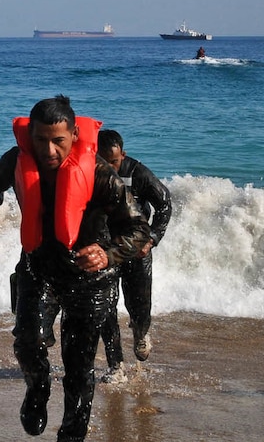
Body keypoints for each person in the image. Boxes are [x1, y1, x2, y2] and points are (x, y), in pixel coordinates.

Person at [0, 95, 150, 441]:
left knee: (79, 367)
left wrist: (108, 253)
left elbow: (138, 229)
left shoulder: (100, 174)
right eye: (40, 140)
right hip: (39, 269)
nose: (49, 151)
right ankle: (37, 387)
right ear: (30, 136)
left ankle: (71, 435)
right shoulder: (14, 161)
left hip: (91, 279)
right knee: (27, 343)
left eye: (58, 142)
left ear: (74, 136)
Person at [93, 128, 172, 377]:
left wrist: (152, 238)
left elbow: (165, 203)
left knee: (139, 305)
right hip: (107, 250)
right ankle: (115, 366)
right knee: (107, 307)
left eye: (115, 162)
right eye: (104, 162)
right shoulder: (91, 173)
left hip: (137, 249)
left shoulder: (138, 172)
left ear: (123, 155)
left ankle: (141, 332)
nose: (111, 169)